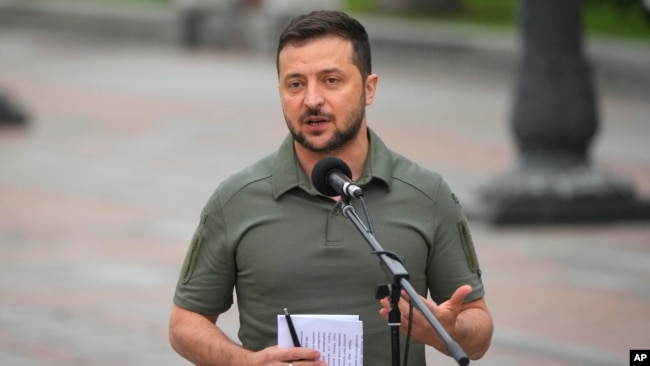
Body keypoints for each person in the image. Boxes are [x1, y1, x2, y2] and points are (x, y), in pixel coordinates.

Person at [169, 10, 493, 366]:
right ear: (280, 92)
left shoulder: (426, 194)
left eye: (331, 81)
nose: (311, 100)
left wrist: (449, 331)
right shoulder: (236, 198)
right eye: (295, 84)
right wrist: (244, 362)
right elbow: (185, 323)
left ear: (369, 89)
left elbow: (478, 332)